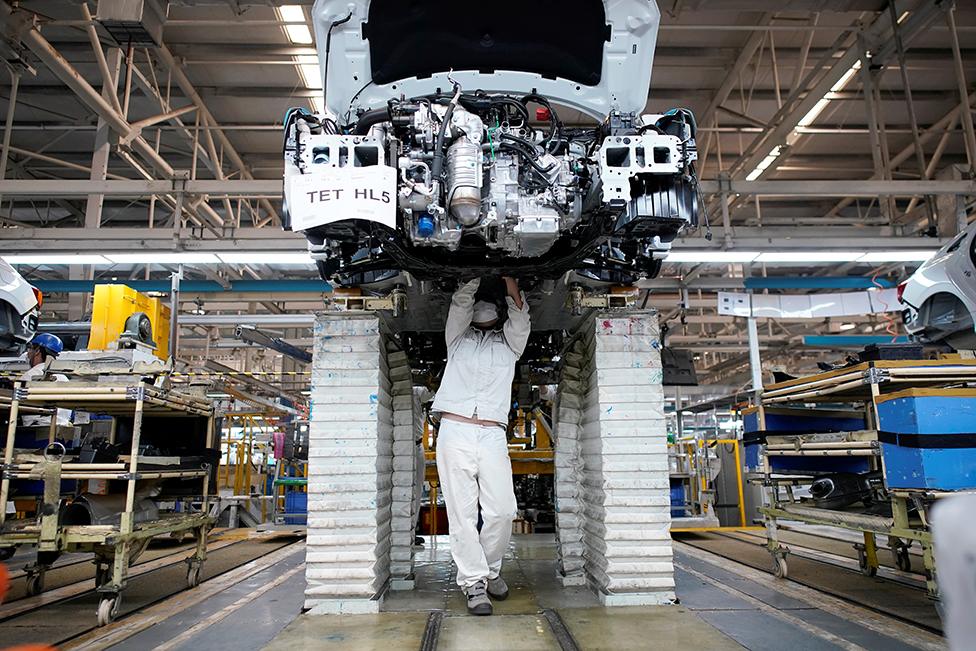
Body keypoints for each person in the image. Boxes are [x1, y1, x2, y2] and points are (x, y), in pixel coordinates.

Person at [430, 276, 530, 616]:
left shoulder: (510, 346)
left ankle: (488, 569)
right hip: (455, 429)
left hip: (491, 434)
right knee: (463, 513)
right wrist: (474, 274)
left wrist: (508, 280)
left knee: (503, 510)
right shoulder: (457, 340)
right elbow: (459, 305)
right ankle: (475, 583)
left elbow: (521, 314)